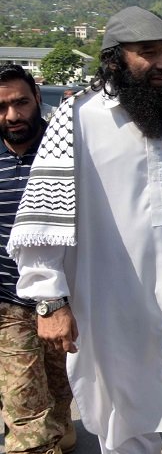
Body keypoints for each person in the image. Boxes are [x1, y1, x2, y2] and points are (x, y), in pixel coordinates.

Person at [8, 6, 162, 454]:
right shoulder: (78, 118)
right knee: (125, 419)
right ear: (115, 59)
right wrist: (49, 300)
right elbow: (43, 218)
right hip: (111, 301)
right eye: (148, 53)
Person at [0, 65, 74, 454]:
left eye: (21, 103)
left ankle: (60, 431)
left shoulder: (64, 155)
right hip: (7, 302)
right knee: (25, 403)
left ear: (36, 100)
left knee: (60, 389)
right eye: (1, 106)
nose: (12, 116)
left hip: (64, 298)